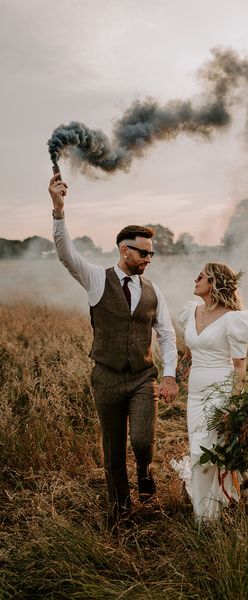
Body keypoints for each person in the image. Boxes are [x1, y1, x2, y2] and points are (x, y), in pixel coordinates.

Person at [48, 172, 178, 524]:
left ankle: (146, 470)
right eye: (144, 252)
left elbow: (166, 334)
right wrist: (59, 210)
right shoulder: (95, 278)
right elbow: (66, 254)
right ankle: (122, 511)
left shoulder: (153, 291)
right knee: (113, 450)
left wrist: (169, 376)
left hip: (141, 378)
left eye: (151, 254)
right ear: (125, 250)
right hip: (105, 378)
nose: (149, 259)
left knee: (141, 440)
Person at [172, 262, 248, 521]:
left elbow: (240, 366)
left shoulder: (234, 318)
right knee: (197, 450)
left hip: (220, 392)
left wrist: (235, 402)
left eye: (202, 276)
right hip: (194, 395)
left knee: (206, 452)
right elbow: (188, 354)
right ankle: (203, 515)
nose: (195, 279)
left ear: (215, 283)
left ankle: (216, 510)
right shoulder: (192, 311)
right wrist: (172, 379)